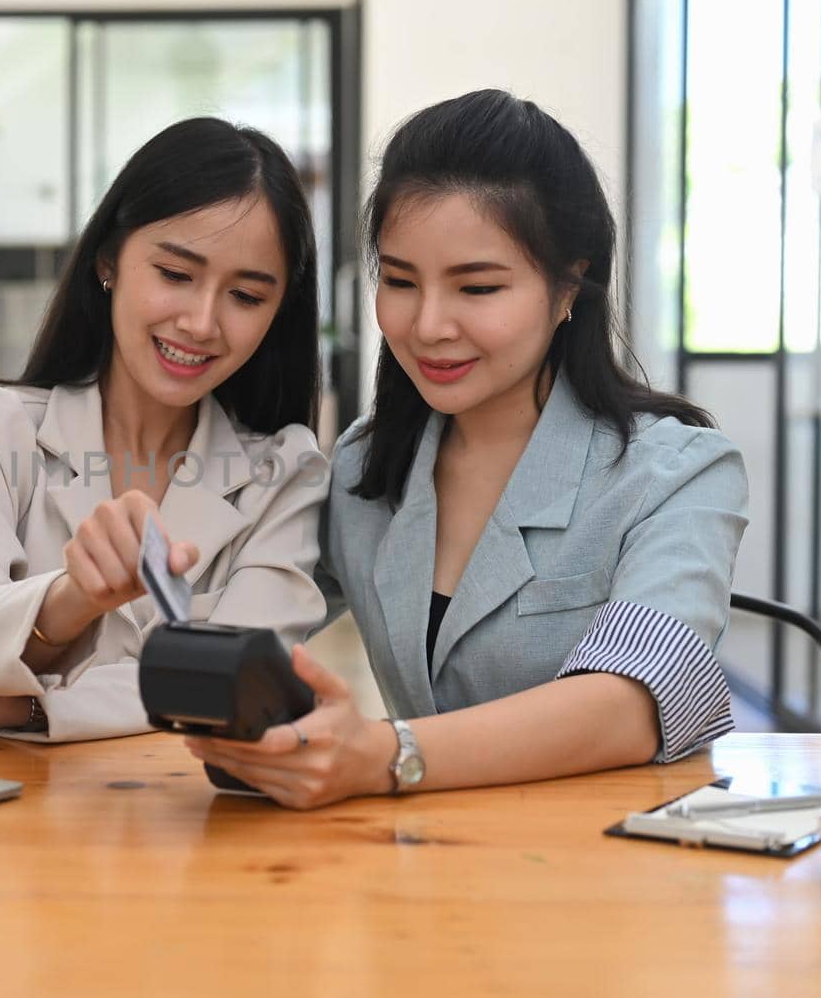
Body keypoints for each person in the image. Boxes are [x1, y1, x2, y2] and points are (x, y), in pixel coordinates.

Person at [190, 89, 748, 808]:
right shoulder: (363, 469)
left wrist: (389, 753)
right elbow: (242, 622)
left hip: (608, 874)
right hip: (423, 868)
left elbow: (631, 702)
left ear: (568, 286)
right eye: (397, 281)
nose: (427, 326)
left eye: (477, 287)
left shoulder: (678, 472)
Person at [0, 117, 329, 743]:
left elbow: (240, 685)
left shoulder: (285, 473)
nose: (202, 323)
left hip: (190, 823)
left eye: (247, 296)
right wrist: (73, 597)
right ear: (108, 263)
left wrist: (7, 708)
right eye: (175, 275)